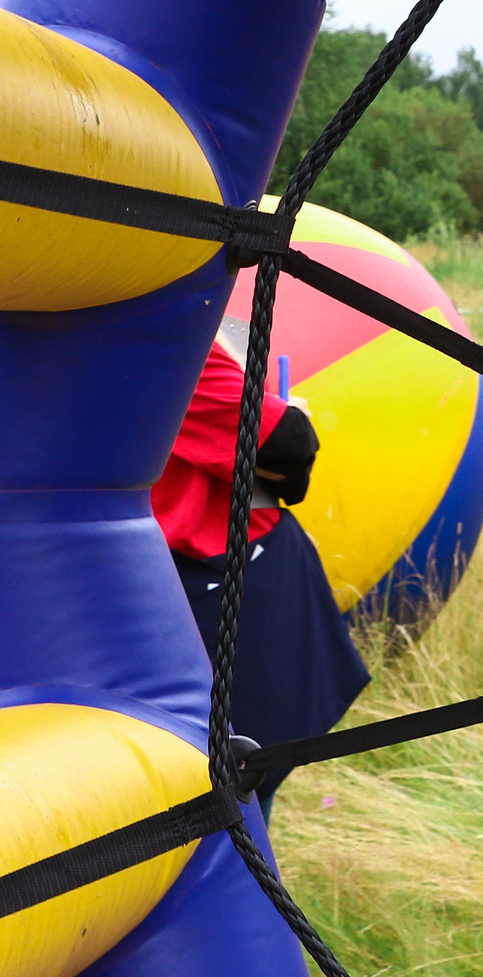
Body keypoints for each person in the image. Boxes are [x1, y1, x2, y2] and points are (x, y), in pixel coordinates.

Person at [153, 320, 371, 812]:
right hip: (214, 582)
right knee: (228, 789)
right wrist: (287, 422)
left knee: (235, 782)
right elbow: (289, 444)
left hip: (210, 576)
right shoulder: (150, 330)